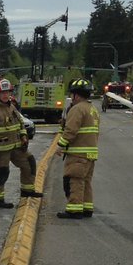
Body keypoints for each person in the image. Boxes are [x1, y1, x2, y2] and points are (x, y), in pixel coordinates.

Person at [0, 79, 41, 208]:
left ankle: (27, 190)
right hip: (0, 149)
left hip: (16, 146)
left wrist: (24, 135)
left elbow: (20, 123)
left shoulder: (11, 107)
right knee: (1, 172)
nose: (5, 95)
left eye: (7, 92)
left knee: (29, 162)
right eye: (2, 93)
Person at [54, 79, 100, 218]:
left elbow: (70, 131)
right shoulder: (92, 109)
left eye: (72, 94)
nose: (71, 98)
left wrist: (60, 145)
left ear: (76, 95)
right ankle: (87, 208)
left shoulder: (77, 109)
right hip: (90, 154)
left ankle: (74, 209)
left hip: (78, 154)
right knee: (85, 181)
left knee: (75, 180)